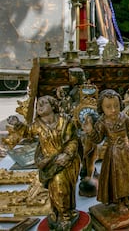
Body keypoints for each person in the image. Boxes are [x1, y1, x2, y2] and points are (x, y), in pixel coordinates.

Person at [82, 89, 129, 212]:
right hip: (112, 154)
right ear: (101, 108)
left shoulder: (125, 118)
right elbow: (98, 139)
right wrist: (90, 131)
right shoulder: (102, 122)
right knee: (116, 179)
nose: (113, 110)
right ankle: (120, 202)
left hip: (127, 151)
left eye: (116, 106)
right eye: (108, 107)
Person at [32, 95, 81, 230]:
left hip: (65, 161)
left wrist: (67, 154)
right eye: (38, 105)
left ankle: (66, 215)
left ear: (53, 106)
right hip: (49, 164)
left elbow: (73, 140)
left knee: (62, 187)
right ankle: (58, 212)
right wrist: (17, 125)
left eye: (43, 103)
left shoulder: (65, 122)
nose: (39, 107)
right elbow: (27, 132)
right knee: (54, 189)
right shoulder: (37, 125)